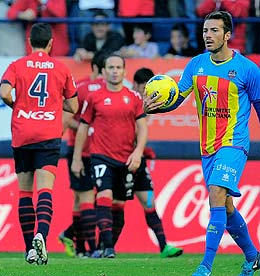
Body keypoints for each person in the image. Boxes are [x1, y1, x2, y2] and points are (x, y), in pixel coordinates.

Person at [144, 11, 260, 276]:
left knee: (217, 192)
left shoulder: (247, 69)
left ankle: (205, 266)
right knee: (226, 206)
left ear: (228, 35)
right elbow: (177, 98)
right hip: (208, 146)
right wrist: (156, 108)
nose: (208, 35)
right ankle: (253, 256)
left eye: (214, 31)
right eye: (206, 30)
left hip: (234, 143)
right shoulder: (195, 65)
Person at [0, 22, 78, 265]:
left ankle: (28, 250)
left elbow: (4, 92)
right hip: (48, 134)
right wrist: (55, 105)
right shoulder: (61, 68)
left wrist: (19, 106)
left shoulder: (16, 66)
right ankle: (41, 236)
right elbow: (74, 106)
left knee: (24, 192)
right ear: (51, 43)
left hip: (23, 133)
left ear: (29, 42)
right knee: (45, 190)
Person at [71, 54, 147, 258]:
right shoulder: (93, 97)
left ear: (124, 71)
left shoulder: (134, 97)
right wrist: (77, 158)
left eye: (118, 67)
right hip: (100, 156)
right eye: (111, 67)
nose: (114, 71)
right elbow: (82, 128)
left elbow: (142, 127)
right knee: (104, 196)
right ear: (103, 72)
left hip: (126, 159)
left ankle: (106, 245)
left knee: (119, 206)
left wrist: (138, 152)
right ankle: (107, 247)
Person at [108, 67, 183, 258]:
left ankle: (164, 246)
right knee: (117, 206)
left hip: (137, 159)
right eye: (145, 87)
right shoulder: (128, 100)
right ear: (137, 85)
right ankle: (105, 248)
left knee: (149, 202)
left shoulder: (146, 105)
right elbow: (126, 131)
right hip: (122, 160)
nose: (148, 92)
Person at [59, 51, 107, 258]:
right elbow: (66, 118)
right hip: (80, 151)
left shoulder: (110, 90)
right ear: (97, 68)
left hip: (100, 152)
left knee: (85, 200)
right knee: (85, 198)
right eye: (107, 68)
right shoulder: (82, 87)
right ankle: (90, 249)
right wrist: (86, 127)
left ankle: (76, 243)